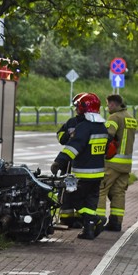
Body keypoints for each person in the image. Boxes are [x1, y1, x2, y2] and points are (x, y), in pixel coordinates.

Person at [51, 93, 109, 240]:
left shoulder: (84, 127)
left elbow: (74, 147)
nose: (76, 109)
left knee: (73, 199)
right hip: (98, 174)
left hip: (83, 174)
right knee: (90, 202)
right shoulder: (102, 127)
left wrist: (59, 162)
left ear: (85, 108)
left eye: (78, 107)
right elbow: (107, 149)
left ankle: (96, 220)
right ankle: (88, 231)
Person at [97, 94, 137, 232]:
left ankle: (98, 221)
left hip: (112, 162)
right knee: (119, 192)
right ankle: (116, 223)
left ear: (113, 104)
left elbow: (108, 135)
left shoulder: (114, 117)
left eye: (108, 105)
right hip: (126, 164)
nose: (107, 107)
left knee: (101, 189)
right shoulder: (131, 118)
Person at [55, 93, 87, 228]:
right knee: (66, 191)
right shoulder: (71, 122)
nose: (76, 109)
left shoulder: (90, 124)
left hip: (82, 164)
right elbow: (60, 135)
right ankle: (66, 218)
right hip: (68, 164)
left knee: (81, 192)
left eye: (78, 107)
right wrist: (68, 136)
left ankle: (81, 219)